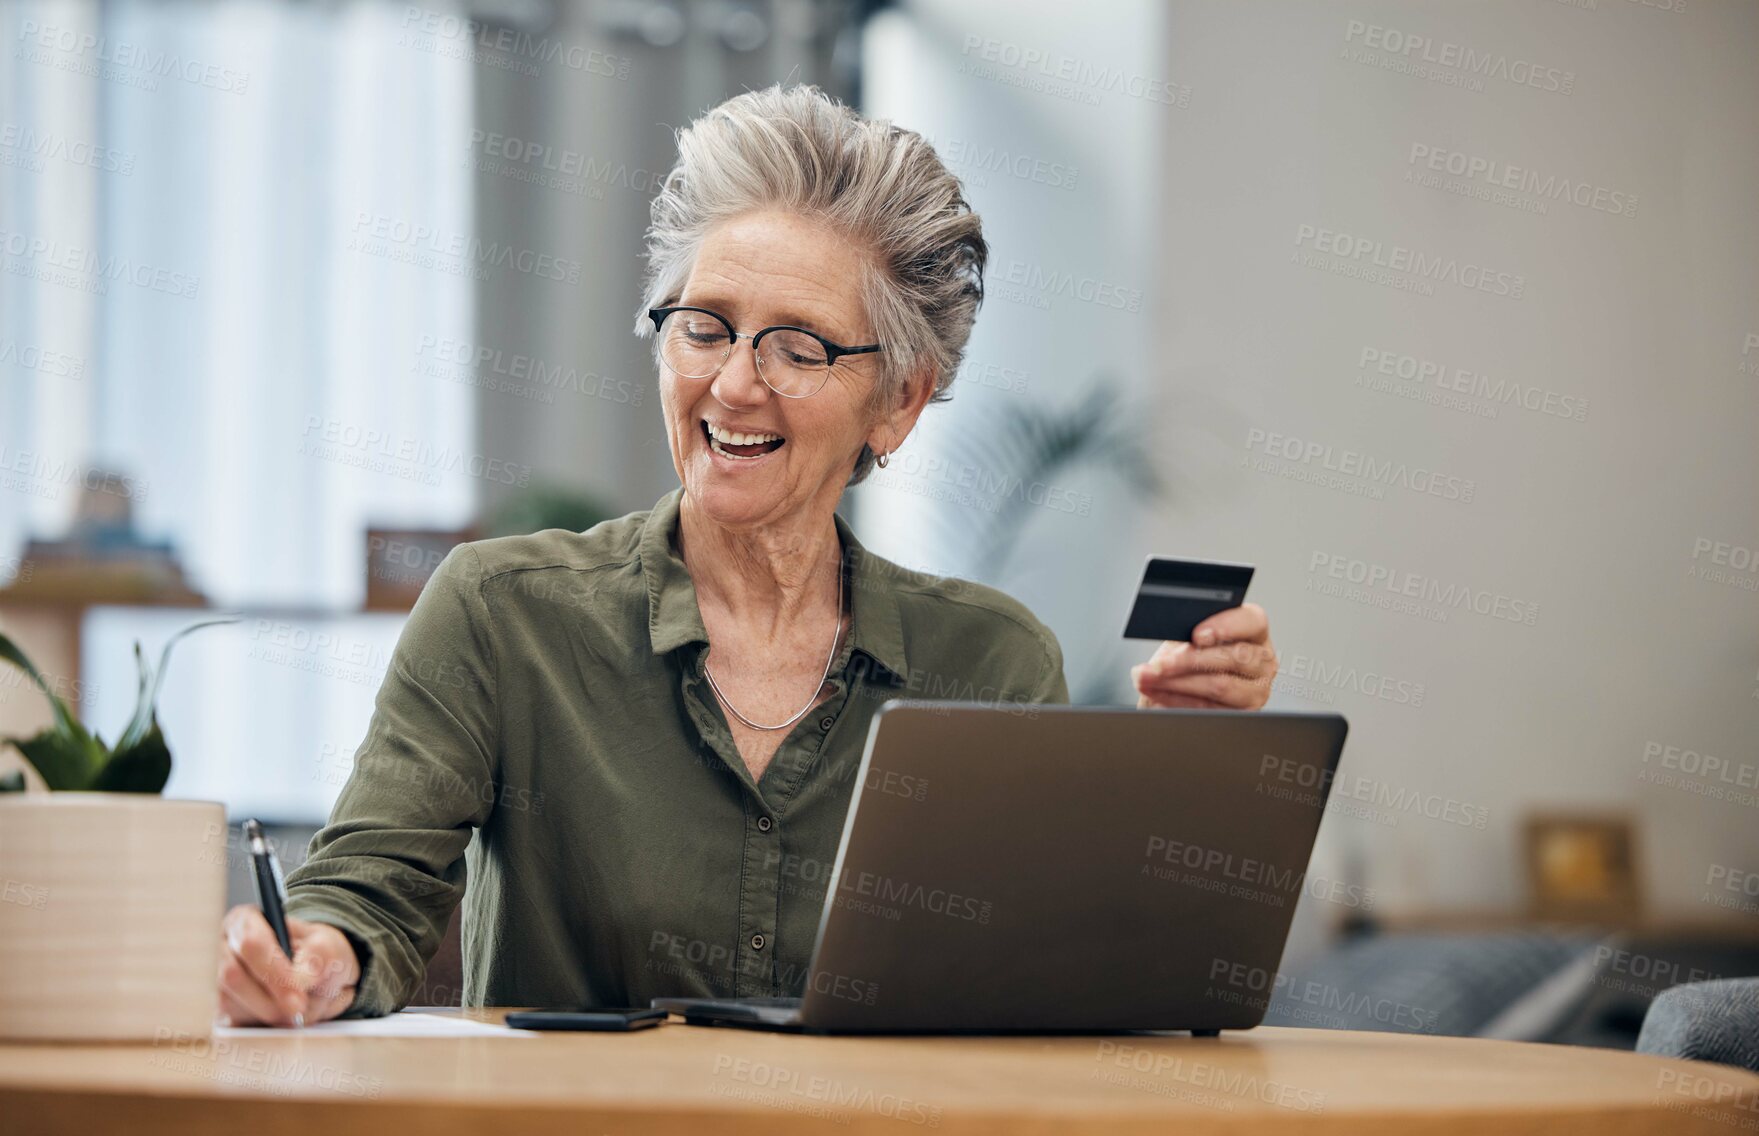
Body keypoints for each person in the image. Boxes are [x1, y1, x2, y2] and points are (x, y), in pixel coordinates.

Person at [216, 83, 1278, 1027]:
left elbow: (1062, 984)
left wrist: (1191, 778)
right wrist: (318, 956)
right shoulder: (504, 612)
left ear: (898, 400)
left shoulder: (992, 661)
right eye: (705, 325)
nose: (732, 383)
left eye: (797, 345)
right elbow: (369, 888)